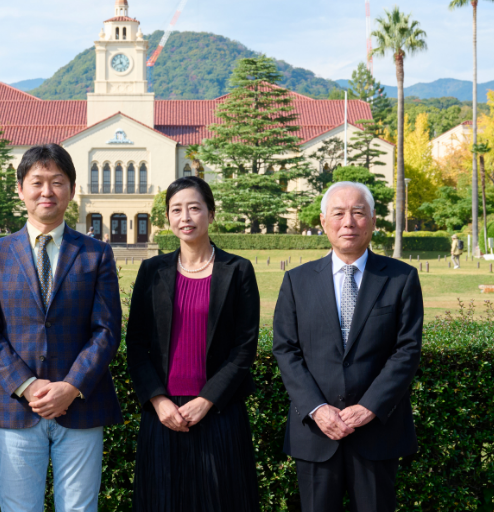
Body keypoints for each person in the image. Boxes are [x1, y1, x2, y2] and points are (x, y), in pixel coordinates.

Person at [0, 144, 122, 512]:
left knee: (79, 508)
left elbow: (106, 329)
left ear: (71, 189)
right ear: (20, 188)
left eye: (57, 182)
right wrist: (29, 384)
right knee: (19, 507)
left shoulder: (95, 253)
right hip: (17, 406)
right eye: (37, 182)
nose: (47, 191)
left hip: (81, 406)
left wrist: (71, 386)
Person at [272, 181, 423, 512]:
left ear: (372, 220)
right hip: (316, 432)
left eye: (358, 213)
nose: (348, 222)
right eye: (338, 213)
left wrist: (369, 406)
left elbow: (407, 350)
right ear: (324, 221)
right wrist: (318, 408)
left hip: (377, 433)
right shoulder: (297, 281)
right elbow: (285, 350)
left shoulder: (401, 278)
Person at [126, 177, 260, 511]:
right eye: (176, 210)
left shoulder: (238, 270)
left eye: (194, 208)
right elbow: (136, 345)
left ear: (211, 214)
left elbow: (244, 348)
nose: (185, 217)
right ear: (168, 218)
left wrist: (207, 400)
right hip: (164, 415)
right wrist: (158, 401)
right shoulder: (151, 271)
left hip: (219, 411)